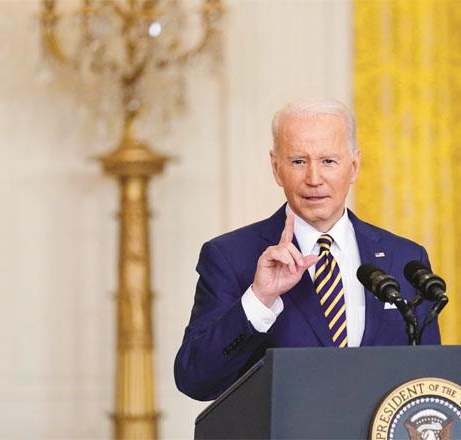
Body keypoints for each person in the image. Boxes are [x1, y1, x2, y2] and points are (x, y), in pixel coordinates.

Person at [174, 98, 440, 401]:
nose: (314, 179)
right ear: (276, 168)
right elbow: (195, 379)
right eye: (299, 161)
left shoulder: (405, 259)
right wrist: (259, 299)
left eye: (328, 161)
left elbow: (429, 383)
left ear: (353, 166)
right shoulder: (231, 257)